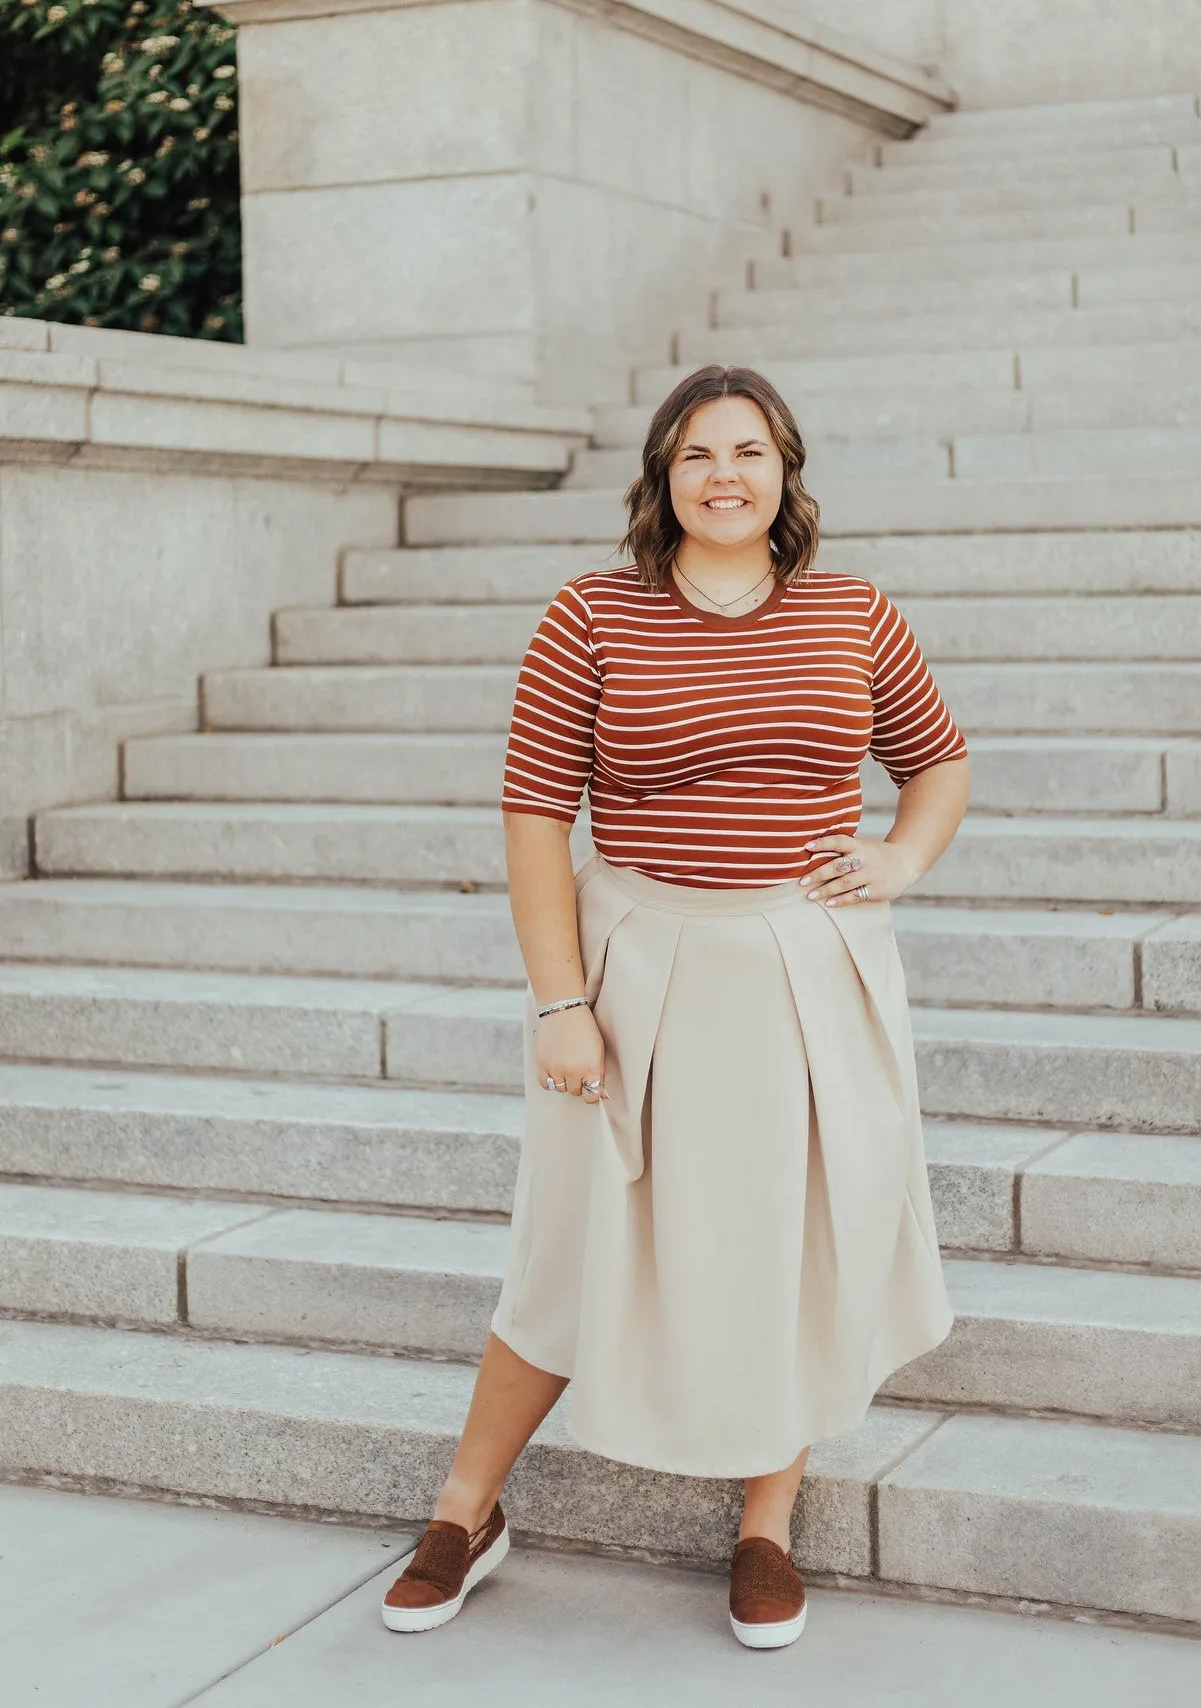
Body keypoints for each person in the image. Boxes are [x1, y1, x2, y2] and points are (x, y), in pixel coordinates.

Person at [381, 362, 970, 1649]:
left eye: (749, 451)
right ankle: (464, 1508)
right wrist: (560, 1001)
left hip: (807, 964)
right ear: (661, 475)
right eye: (697, 452)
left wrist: (903, 858)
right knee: (567, 1242)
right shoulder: (590, 613)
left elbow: (937, 759)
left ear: (785, 473)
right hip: (637, 959)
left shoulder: (856, 613)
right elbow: (537, 813)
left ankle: (767, 1521)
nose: (724, 473)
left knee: (792, 1239)